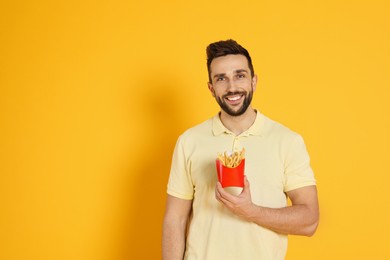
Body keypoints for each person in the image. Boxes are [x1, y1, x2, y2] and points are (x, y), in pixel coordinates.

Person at [162, 39, 319, 260]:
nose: (232, 87)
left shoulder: (287, 141)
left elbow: (309, 220)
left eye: (240, 75)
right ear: (211, 87)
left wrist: (250, 211)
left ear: (254, 81)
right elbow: (174, 219)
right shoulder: (189, 141)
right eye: (221, 79)